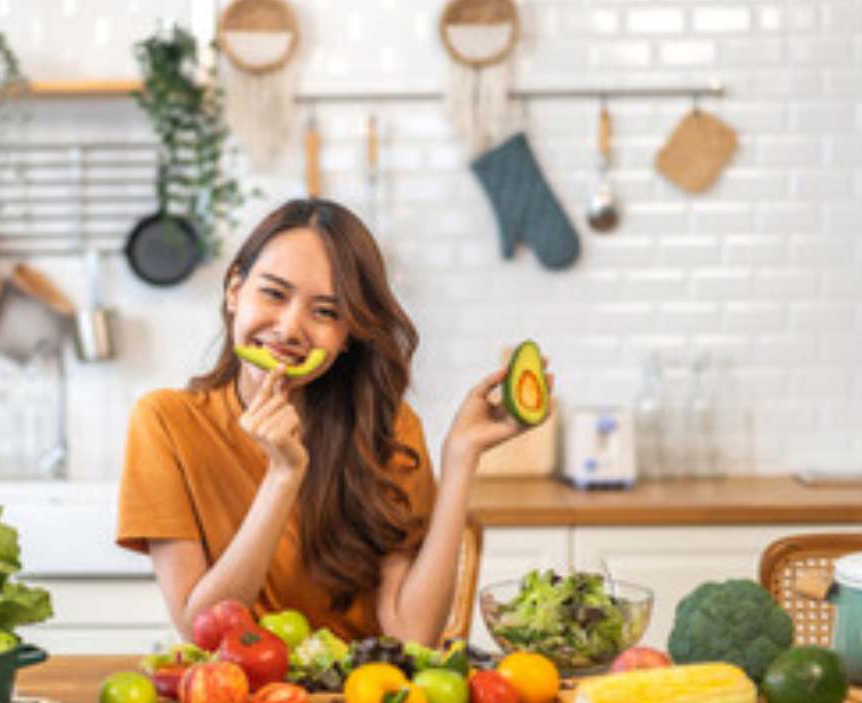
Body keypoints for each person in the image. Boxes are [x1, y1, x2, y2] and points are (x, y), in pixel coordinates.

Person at [116, 198, 550, 645]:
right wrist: (283, 477)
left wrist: (460, 458)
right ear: (233, 291)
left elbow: (413, 635)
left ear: (349, 336)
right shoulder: (166, 423)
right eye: (274, 293)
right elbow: (201, 630)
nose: (288, 330)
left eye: (325, 312)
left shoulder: (388, 429)